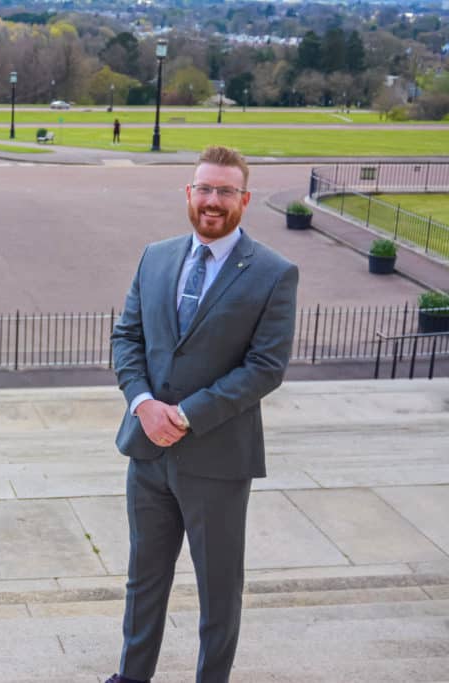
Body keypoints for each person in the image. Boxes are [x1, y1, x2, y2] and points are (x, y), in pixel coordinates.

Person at [107, 146, 298, 683]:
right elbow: (128, 338)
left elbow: (265, 368)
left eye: (225, 191)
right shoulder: (156, 256)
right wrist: (143, 405)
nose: (213, 201)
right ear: (189, 194)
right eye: (204, 189)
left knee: (218, 589)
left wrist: (186, 415)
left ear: (245, 199)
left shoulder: (274, 274)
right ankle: (131, 675)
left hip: (216, 459)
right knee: (144, 579)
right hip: (147, 454)